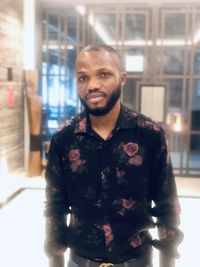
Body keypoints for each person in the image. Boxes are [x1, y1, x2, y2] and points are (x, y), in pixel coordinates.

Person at [44, 45, 183, 267]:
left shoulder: (149, 135)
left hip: (136, 259)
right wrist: (55, 260)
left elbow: (166, 203)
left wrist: (168, 260)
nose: (92, 85)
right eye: (83, 78)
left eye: (104, 74)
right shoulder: (64, 139)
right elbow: (55, 205)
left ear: (122, 78)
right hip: (80, 260)